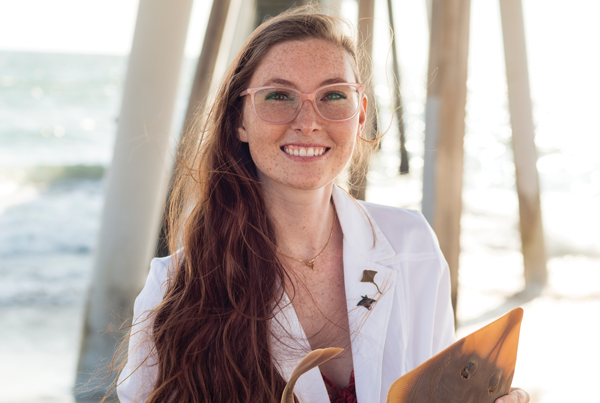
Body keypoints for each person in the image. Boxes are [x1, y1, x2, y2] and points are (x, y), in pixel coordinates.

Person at [116, 7, 530, 403]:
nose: (308, 121)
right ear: (239, 120)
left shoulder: (412, 245)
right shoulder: (176, 286)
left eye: (334, 95)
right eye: (279, 95)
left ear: (361, 113)